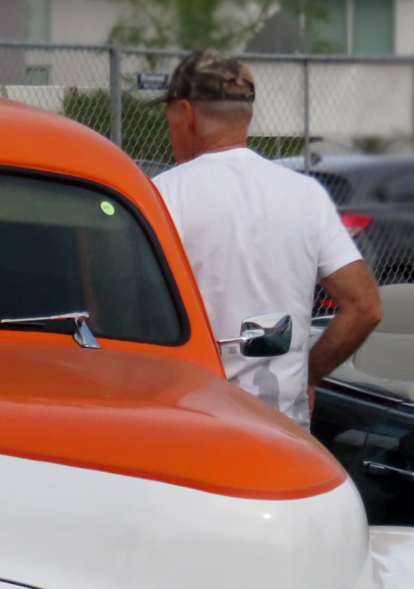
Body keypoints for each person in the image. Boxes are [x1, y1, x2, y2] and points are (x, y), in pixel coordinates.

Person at [152, 50, 382, 426]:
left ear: (186, 112)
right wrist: (309, 376)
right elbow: (365, 307)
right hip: (283, 433)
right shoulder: (306, 195)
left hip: (192, 426)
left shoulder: (161, 195)